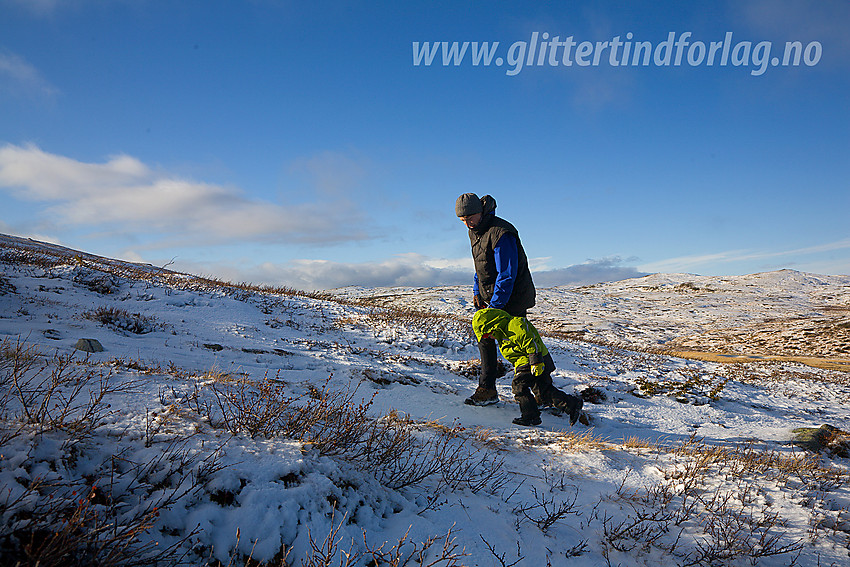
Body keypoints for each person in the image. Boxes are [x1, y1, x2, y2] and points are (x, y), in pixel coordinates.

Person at [455, 193, 536, 406]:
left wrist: (496, 307)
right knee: (486, 339)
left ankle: (544, 392)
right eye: (462, 220)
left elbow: (506, 274)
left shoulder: (501, 232)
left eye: (470, 218)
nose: (467, 223)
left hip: (513, 298)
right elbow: (481, 266)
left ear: (481, 212)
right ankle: (487, 389)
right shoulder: (476, 230)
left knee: (520, 346)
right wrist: (477, 292)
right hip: (489, 296)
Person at [472, 308, 583, 426]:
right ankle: (572, 404)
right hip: (531, 361)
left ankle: (530, 416)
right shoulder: (501, 333)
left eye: (487, 334)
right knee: (542, 390)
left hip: (534, 360)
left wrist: (535, 362)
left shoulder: (514, 325)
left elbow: (530, 342)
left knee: (519, 386)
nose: (489, 337)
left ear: (493, 325)